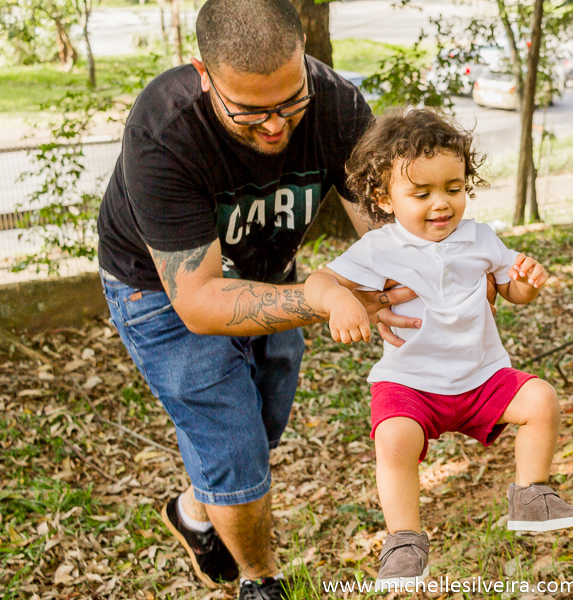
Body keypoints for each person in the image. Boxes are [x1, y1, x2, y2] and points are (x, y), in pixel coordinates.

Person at [95, 1, 418, 598]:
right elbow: (199, 302)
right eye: (249, 110)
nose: (274, 127)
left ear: (304, 58)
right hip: (161, 291)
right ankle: (259, 579)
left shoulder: (337, 104)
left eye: (290, 102)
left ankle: (195, 508)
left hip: (268, 270)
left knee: (264, 422)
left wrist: (447, 273)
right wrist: (327, 297)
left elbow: (385, 227)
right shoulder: (165, 130)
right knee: (236, 444)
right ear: (203, 73)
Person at [304, 108, 573, 591]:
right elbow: (319, 280)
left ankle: (531, 495)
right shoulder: (379, 247)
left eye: (453, 189)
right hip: (411, 383)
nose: (441, 204)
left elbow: (512, 291)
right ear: (384, 198)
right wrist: (338, 301)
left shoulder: (480, 237)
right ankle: (404, 541)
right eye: (421, 194)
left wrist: (526, 282)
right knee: (393, 438)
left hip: (481, 376)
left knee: (541, 399)